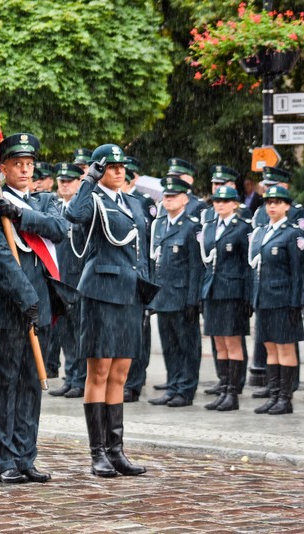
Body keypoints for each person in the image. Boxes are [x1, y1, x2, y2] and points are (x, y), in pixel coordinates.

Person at [0, 133, 67, 484]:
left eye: (29, 164)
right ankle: (3, 459)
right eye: (17, 164)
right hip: (8, 308)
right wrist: (25, 296)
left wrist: (21, 214)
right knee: (5, 383)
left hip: (41, 306)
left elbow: (59, 229)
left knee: (32, 382)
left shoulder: (42, 203)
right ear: (3, 168)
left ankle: (25, 455)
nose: (25, 170)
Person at [66, 143, 155, 478]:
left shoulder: (135, 203)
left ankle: (116, 450)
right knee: (99, 372)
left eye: (121, 167)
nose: (118, 172)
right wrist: (89, 178)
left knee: (120, 373)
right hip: (102, 293)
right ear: (99, 169)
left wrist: (147, 291)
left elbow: (142, 252)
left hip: (131, 294)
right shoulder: (93, 199)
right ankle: (97, 452)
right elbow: (73, 216)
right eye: (111, 167)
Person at [248, 185, 304, 415]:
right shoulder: (261, 231)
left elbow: (298, 272)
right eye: (269, 202)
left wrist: (295, 302)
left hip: (283, 300)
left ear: (287, 206)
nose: (272, 206)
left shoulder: (293, 234)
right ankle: (273, 395)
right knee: (270, 347)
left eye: (277, 202)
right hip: (264, 299)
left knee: (285, 348)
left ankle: (285, 398)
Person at [146, 177, 202, 408]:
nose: (168, 200)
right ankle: (172, 386)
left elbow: (196, 267)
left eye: (173, 196)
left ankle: (186, 390)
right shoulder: (160, 225)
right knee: (170, 346)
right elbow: (155, 263)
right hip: (163, 296)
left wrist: (193, 300)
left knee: (187, 346)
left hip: (182, 297)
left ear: (185, 199)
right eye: (166, 196)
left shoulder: (191, 226)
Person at [199, 186, 253, 412]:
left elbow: (247, 266)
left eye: (225, 201)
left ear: (235, 204)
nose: (219, 204)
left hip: (233, 292)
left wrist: (248, 297)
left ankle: (233, 392)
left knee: (233, 342)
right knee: (219, 342)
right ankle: (223, 388)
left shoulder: (242, 228)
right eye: (216, 201)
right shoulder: (209, 228)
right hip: (213, 291)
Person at [47, 162, 87, 399]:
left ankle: (80, 379)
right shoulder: (54, 209)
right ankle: (70, 376)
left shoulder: (82, 211)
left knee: (79, 332)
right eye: (61, 181)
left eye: (69, 181)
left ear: (79, 183)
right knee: (64, 333)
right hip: (58, 281)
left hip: (77, 280)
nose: (64, 184)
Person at [122, 156, 155, 403]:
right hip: (123, 274)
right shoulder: (114, 202)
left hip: (140, 271)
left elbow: (150, 244)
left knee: (139, 332)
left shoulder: (142, 203)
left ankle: (135, 381)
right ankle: (126, 380)